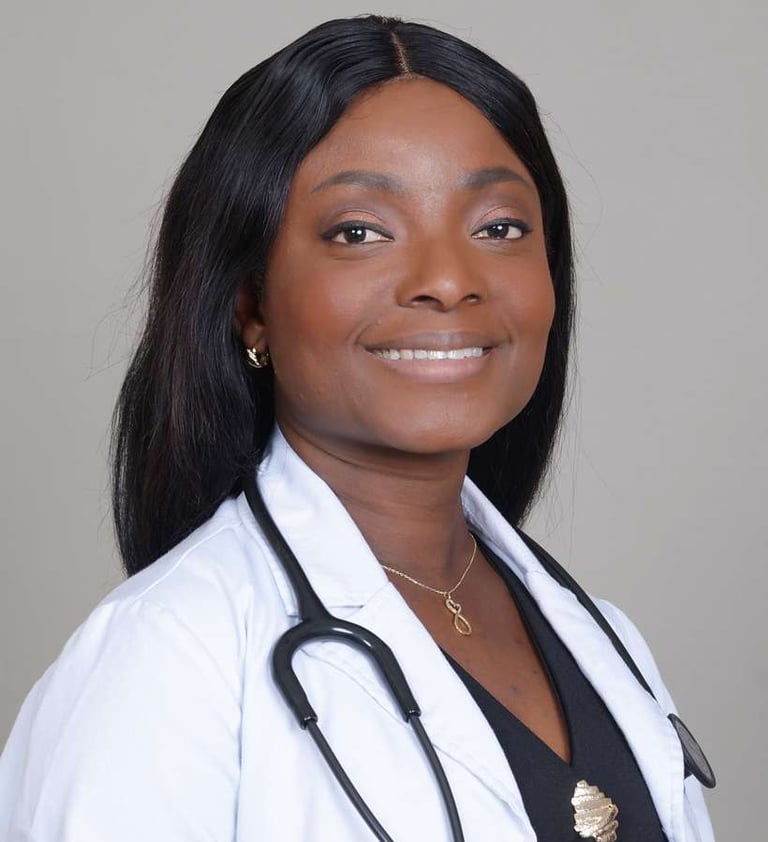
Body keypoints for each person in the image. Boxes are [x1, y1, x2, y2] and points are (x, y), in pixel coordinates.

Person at [0, 15, 715, 842]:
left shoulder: (600, 638)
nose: (448, 280)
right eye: (359, 232)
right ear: (250, 304)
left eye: (499, 227)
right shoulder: (164, 659)